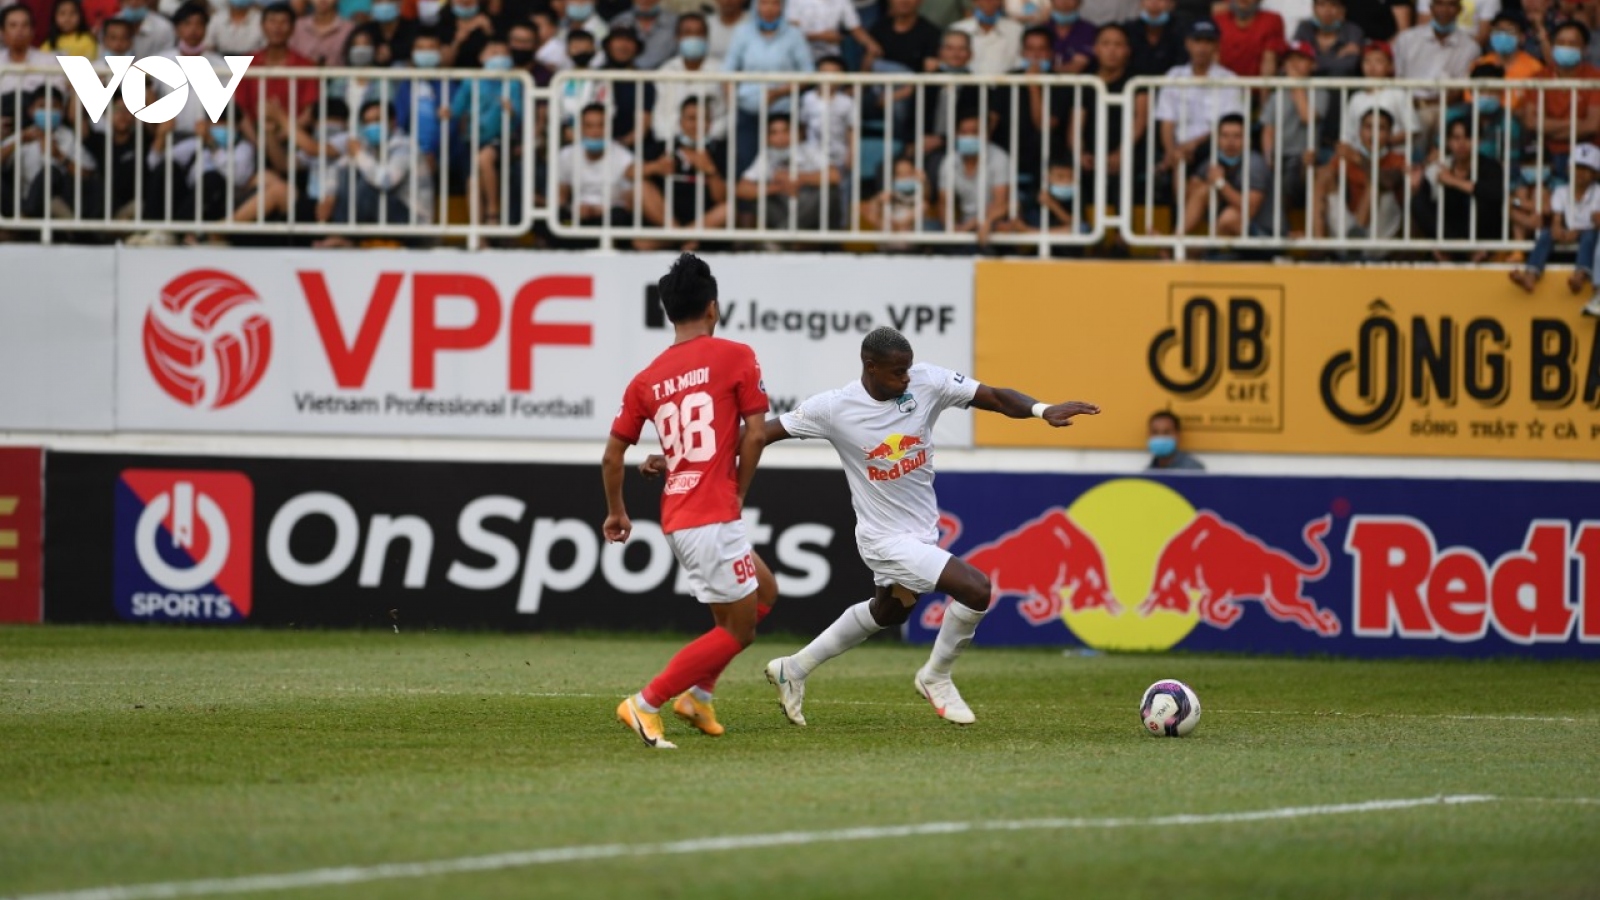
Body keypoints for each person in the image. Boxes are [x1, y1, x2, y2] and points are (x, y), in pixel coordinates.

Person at [756, 326, 1099, 726]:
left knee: (889, 612)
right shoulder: (834, 408)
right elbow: (762, 433)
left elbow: (994, 397)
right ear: (870, 366)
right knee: (976, 588)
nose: (906, 378)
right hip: (883, 539)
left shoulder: (927, 382)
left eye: (908, 369)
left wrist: (1041, 410)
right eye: (897, 372)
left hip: (920, 533)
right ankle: (936, 676)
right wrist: (707, 458)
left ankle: (793, 669)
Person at [604, 253, 778, 750]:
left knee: (764, 593)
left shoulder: (648, 378)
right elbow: (756, 434)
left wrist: (617, 511)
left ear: (668, 312)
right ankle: (646, 702)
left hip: (680, 514)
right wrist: (738, 490)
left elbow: (613, 456)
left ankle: (698, 697)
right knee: (739, 630)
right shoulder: (736, 355)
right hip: (712, 516)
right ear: (713, 307)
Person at [1508, 142, 1600, 316]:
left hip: (1587, 232)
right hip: (1568, 230)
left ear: (1595, 174)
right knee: (1546, 234)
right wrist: (1557, 229)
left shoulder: (1598, 192)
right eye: (1577, 167)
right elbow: (1557, 219)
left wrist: (1576, 232)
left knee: (1589, 236)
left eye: (1586, 169)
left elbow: (1596, 223)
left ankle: (1580, 276)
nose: (1580, 173)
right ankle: (1530, 275)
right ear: (1568, 169)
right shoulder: (1562, 191)